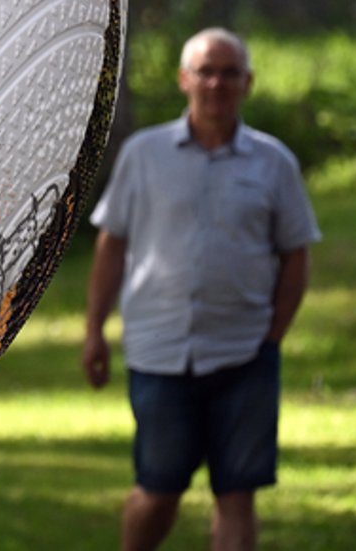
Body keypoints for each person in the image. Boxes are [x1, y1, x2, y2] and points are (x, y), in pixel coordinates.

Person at [81, 27, 320, 551]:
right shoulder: (144, 155)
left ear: (248, 83)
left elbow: (296, 254)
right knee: (159, 489)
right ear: (184, 80)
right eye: (205, 72)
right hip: (159, 353)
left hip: (245, 352)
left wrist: (273, 335)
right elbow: (111, 246)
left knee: (236, 495)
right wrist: (94, 331)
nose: (217, 83)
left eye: (229, 73)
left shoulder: (273, 162)